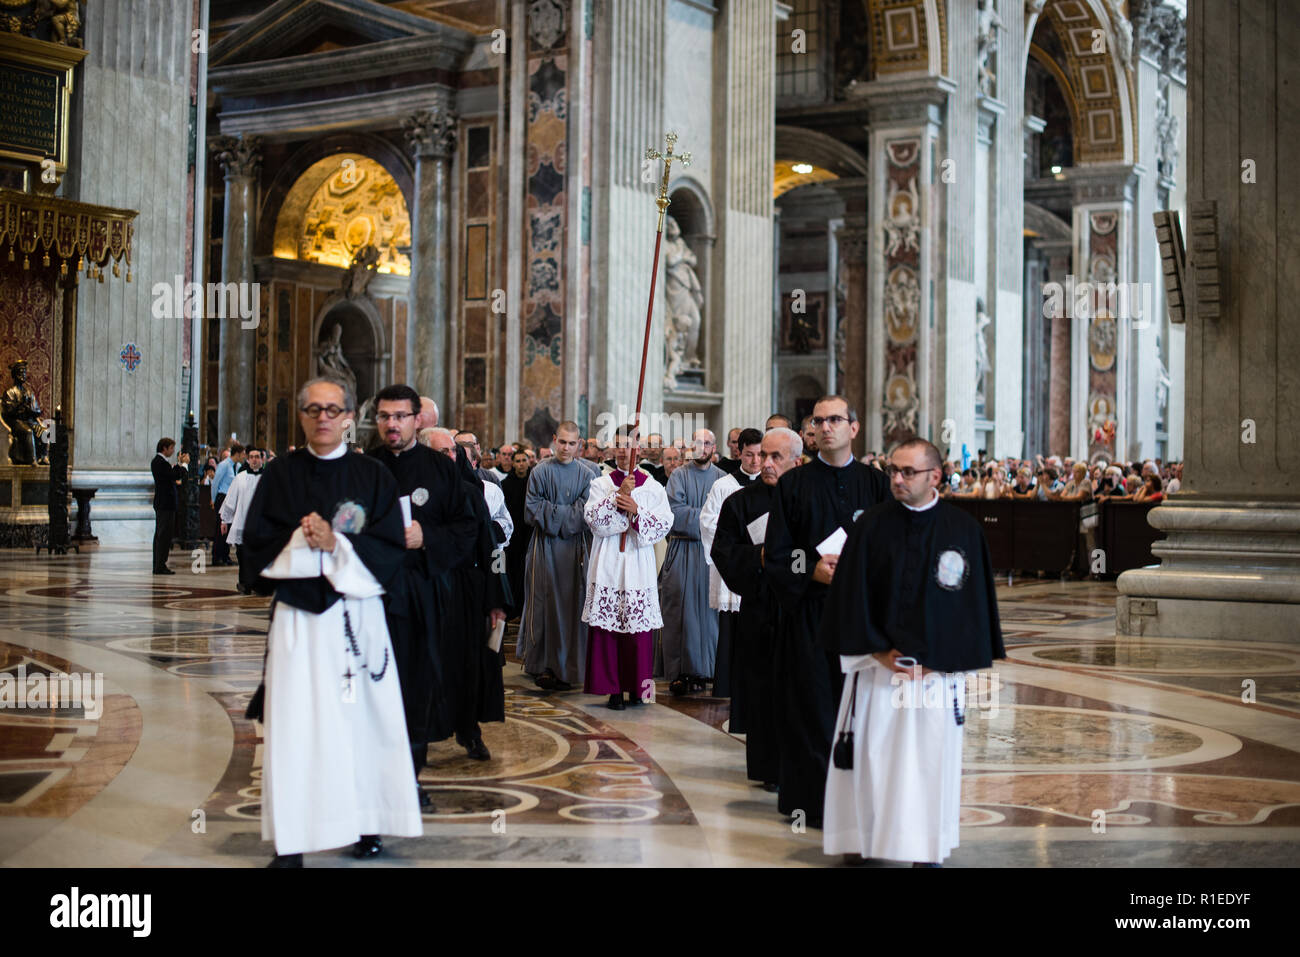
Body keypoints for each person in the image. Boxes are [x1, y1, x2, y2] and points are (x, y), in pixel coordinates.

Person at [241, 376, 420, 866]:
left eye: (332, 409)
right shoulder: (279, 476)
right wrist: (302, 541)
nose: (323, 417)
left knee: (363, 721)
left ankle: (367, 822)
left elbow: (389, 549)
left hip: (357, 617)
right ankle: (292, 839)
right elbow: (255, 548)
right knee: (294, 726)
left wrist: (335, 545)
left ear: (348, 417)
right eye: (313, 409)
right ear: (301, 416)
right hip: (300, 620)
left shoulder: (374, 477)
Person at [820, 437, 1005, 866]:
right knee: (875, 758)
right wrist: (881, 651)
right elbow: (851, 596)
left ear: (935, 476)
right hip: (880, 669)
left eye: (908, 472)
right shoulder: (871, 526)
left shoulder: (963, 530)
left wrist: (940, 660)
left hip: (936, 676)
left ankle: (927, 849)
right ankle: (867, 843)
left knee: (930, 762)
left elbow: (972, 607)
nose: (897, 479)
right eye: (893, 471)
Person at [761, 396, 891, 827]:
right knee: (812, 709)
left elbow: (894, 551)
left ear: (853, 428)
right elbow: (777, 554)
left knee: (864, 711)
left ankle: (863, 802)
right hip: (811, 616)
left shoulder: (876, 485)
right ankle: (813, 805)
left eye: (836, 419)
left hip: (863, 617)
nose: (826, 427)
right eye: (819, 421)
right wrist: (811, 570)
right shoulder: (794, 486)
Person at [369, 386, 477, 786]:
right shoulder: (365, 469)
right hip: (370, 595)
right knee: (372, 686)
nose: (392, 424)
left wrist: (426, 537)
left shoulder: (442, 470)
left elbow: (466, 529)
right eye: (384, 416)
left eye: (400, 416)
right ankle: (372, 778)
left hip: (421, 593)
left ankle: (410, 780)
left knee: (416, 686)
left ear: (417, 419)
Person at [710, 427, 803, 789]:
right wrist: (759, 557)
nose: (765, 463)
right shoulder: (740, 502)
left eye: (775, 457)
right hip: (761, 605)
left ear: (797, 460)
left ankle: (798, 761)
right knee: (762, 686)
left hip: (799, 609)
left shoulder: (807, 499)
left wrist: (794, 563)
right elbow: (724, 551)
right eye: (762, 455)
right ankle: (767, 766)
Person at [582, 425, 673, 709]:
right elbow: (594, 521)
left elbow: (663, 525)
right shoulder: (601, 483)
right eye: (619, 445)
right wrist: (617, 497)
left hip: (637, 561)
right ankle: (613, 690)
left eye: (630, 446)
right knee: (610, 630)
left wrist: (635, 511)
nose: (624, 451)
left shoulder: (653, 486)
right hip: (609, 559)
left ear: (641, 450)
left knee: (638, 632)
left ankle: (637, 688)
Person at [518, 422, 597, 690]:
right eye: (561, 442)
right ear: (554, 440)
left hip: (576, 551)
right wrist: (566, 513)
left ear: (579, 445)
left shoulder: (588, 474)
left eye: (571, 443)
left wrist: (555, 513)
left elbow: (585, 513)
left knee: (573, 605)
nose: (565, 447)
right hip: (544, 548)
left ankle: (572, 666)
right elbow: (531, 510)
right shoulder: (539, 471)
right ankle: (544, 665)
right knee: (544, 606)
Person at [659, 428, 725, 695]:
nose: (702, 447)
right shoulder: (678, 476)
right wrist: (709, 519)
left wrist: (705, 519)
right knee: (680, 612)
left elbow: (726, 518)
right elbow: (674, 513)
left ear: (714, 447)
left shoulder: (723, 479)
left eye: (707, 443)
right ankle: (680, 672)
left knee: (711, 617)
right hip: (683, 551)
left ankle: (710, 669)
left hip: (712, 556)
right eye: (698, 442)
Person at [699, 427, 763, 698]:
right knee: (729, 630)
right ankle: (725, 684)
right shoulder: (724, 486)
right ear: (739, 453)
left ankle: (754, 683)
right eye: (749, 455)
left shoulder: (771, 486)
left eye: (760, 455)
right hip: (734, 566)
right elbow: (708, 522)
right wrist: (739, 543)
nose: (755, 461)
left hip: (760, 566)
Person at [219, 446, 266, 594]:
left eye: (257, 457)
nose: (254, 459)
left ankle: (258, 583)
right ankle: (244, 583)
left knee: (260, 555)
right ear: (247, 459)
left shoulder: (268, 478)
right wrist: (224, 520)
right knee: (243, 554)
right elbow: (231, 499)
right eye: (251, 457)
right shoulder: (240, 477)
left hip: (261, 524)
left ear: (262, 459)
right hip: (242, 522)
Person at [150, 438, 188, 575]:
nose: (172, 451)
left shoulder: (159, 462)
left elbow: (171, 474)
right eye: (171, 448)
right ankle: (160, 565)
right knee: (164, 536)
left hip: (163, 503)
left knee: (161, 535)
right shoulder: (160, 463)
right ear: (164, 448)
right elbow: (176, 476)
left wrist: (179, 463)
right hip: (165, 504)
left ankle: (159, 564)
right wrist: (184, 465)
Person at [211, 443, 245, 567]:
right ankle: (216, 556)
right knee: (220, 529)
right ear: (237, 454)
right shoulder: (224, 465)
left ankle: (225, 556)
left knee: (228, 528)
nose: (244, 456)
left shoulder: (238, 466)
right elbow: (215, 483)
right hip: (222, 497)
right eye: (243, 454)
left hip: (232, 498)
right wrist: (213, 499)